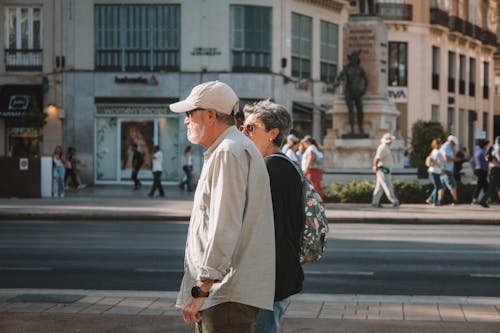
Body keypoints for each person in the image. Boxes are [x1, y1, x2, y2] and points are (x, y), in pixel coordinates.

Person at [170, 81, 276, 332]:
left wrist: (200, 290)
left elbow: (223, 226)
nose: (186, 121)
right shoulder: (231, 149)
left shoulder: (228, 152)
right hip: (225, 293)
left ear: (210, 115)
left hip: (223, 294)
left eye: (189, 113)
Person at [241, 100, 304, 333]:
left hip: (268, 277)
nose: (243, 132)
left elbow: (262, 228)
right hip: (277, 271)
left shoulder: (270, 169)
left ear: (273, 133)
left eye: (251, 127)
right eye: (243, 127)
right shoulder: (284, 165)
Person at [333, 50, 368, 135]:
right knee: (351, 111)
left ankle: (360, 128)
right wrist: (337, 82)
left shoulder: (360, 69)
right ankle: (352, 129)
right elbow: (340, 76)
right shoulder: (347, 68)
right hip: (349, 92)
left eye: (355, 58)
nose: (354, 60)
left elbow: (366, 80)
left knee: (360, 110)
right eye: (352, 58)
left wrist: (364, 90)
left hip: (358, 92)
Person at [371, 133, 400, 208]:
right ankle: (394, 201)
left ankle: (375, 202)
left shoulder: (385, 147)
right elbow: (377, 158)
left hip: (384, 169)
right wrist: (375, 166)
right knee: (388, 186)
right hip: (383, 170)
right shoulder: (383, 147)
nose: (391, 142)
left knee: (379, 188)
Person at [440, 135, 459, 205]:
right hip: (446, 169)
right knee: (452, 185)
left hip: (445, 169)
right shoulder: (446, 147)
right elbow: (446, 158)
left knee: (442, 186)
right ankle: (455, 200)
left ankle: (438, 200)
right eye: (454, 144)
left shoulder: (447, 147)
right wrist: (456, 160)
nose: (454, 145)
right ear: (451, 142)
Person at [426, 139, 445, 206]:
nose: (441, 145)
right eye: (440, 144)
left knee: (439, 186)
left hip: (432, 170)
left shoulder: (433, 151)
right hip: (436, 171)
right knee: (438, 187)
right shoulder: (438, 152)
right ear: (438, 144)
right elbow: (440, 163)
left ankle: (430, 198)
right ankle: (434, 201)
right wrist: (443, 169)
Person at [471, 139, 489, 208]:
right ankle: (475, 199)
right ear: (484, 145)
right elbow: (487, 160)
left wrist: (473, 168)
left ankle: (486, 199)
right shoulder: (484, 152)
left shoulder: (476, 151)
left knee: (485, 184)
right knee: (480, 184)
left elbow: (472, 160)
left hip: (477, 169)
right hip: (483, 169)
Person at [486, 136, 500, 204]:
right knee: (493, 185)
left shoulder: (492, 147)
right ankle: (487, 199)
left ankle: (489, 199)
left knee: (494, 185)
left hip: (491, 168)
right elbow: (498, 158)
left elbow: (487, 158)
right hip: (496, 168)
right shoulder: (498, 148)